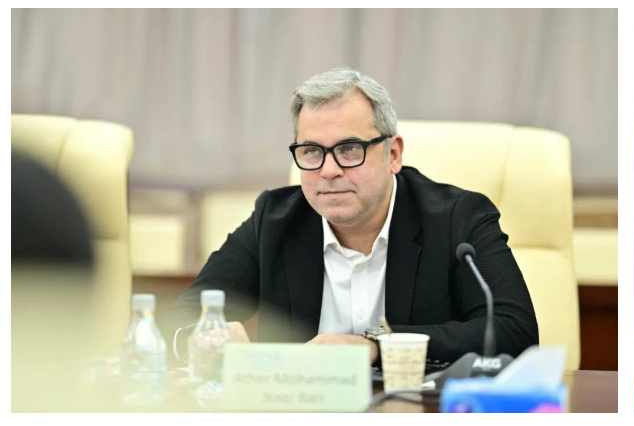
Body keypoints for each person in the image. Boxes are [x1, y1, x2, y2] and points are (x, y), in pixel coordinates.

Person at [162, 68, 539, 363]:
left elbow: (514, 331)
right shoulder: (273, 221)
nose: (329, 170)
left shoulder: (458, 218)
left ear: (393, 154)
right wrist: (202, 338)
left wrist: (376, 346)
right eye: (312, 151)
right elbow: (179, 322)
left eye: (349, 149)